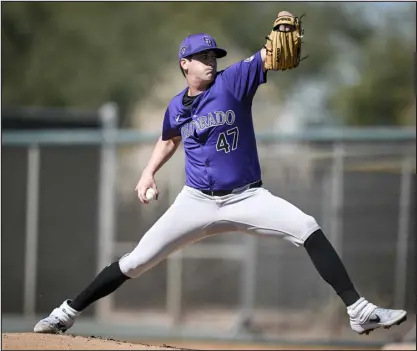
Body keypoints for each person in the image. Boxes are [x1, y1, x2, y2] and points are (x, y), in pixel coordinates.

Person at [34, 12, 407, 336]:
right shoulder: (176, 107)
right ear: (185, 64)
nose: (210, 60)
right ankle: (66, 312)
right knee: (135, 261)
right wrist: (148, 173)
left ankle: (358, 311)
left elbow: (266, 58)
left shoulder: (233, 82)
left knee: (307, 225)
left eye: (213, 55)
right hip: (195, 201)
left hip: (247, 197)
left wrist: (274, 42)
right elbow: (169, 140)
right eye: (202, 56)